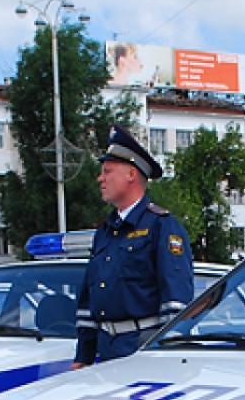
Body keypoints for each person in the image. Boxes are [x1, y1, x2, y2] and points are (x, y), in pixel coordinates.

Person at [73, 125, 194, 367]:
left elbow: (176, 302)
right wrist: (83, 356)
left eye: (107, 171)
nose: (100, 178)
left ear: (131, 174)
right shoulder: (105, 231)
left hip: (143, 352)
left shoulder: (162, 226)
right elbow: (89, 300)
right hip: (106, 352)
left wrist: (164, 355)